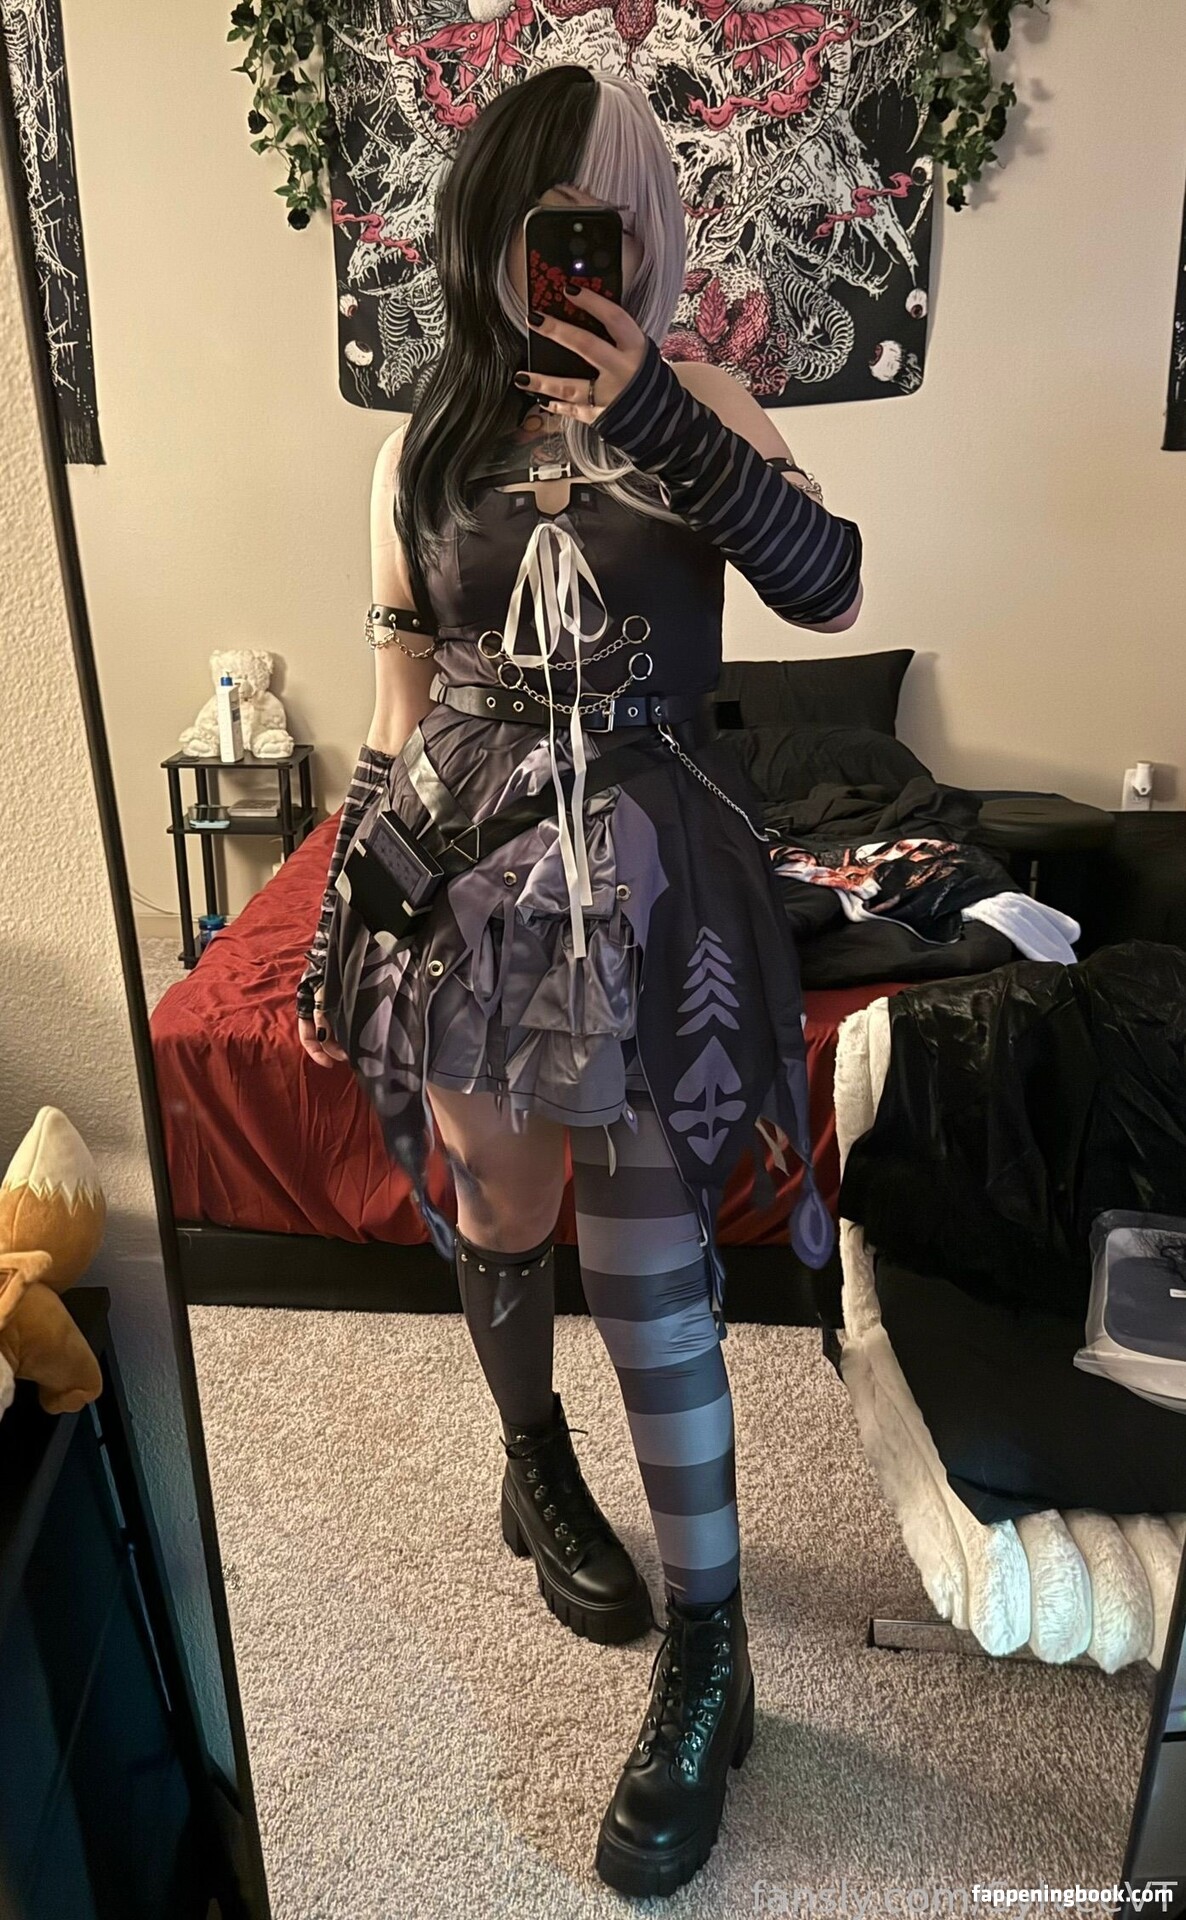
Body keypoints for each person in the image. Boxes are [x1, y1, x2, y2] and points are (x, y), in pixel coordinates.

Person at [295, 64, 863, 1900]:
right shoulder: (417, 445)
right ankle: (530, 1458)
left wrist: (661, 420)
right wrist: (339, 911)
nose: (576, 256)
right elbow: (397, 703)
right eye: (547, 223)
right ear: (489, 231)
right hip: (466, 868)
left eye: (605, 223)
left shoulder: (706, 400)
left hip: (648, 863)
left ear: (644, 235)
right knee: (499, 1203)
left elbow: (831, 591)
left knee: (648, 1258)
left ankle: (711, 1645)